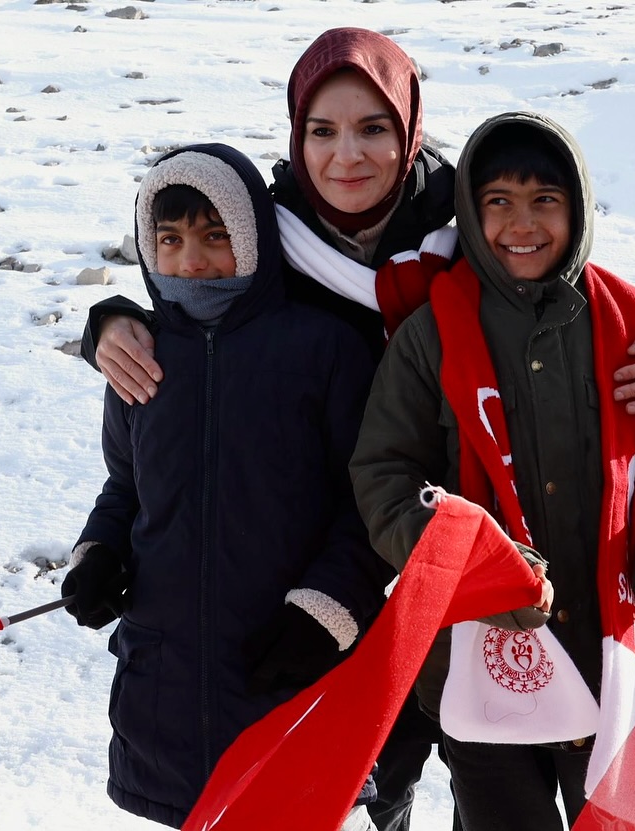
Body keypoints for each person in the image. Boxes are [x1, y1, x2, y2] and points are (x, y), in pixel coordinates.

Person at [77, 28, 635, 831]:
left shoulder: (468, 221)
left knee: (470, 759)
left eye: (372, 127)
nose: (346, 155)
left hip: (475, 567)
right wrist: (109, 321)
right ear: (296, 136)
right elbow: (193, 290)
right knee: (381, 772)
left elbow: (573, 299)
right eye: (322, 131)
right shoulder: (268, 236)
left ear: (409, 126)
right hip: (336, 553)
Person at [348, 110, 635, 831]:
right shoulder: (435, 334)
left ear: (577, 208)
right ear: (471, 211)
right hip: (479, 669)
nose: (522, 224)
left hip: (612, 659)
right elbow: (385, 475)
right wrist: (472, 564)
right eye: (499, 202)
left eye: (544, 201)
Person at [61, 143, 392, 831]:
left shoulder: (322, 349)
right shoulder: (140, 354)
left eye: (216, 237)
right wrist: (97, 553)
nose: (192, 260)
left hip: (290, 670)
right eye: (171, 239)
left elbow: (369, 507)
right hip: (167, 691)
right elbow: (126, 485)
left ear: (254, 238)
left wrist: (325, 612)